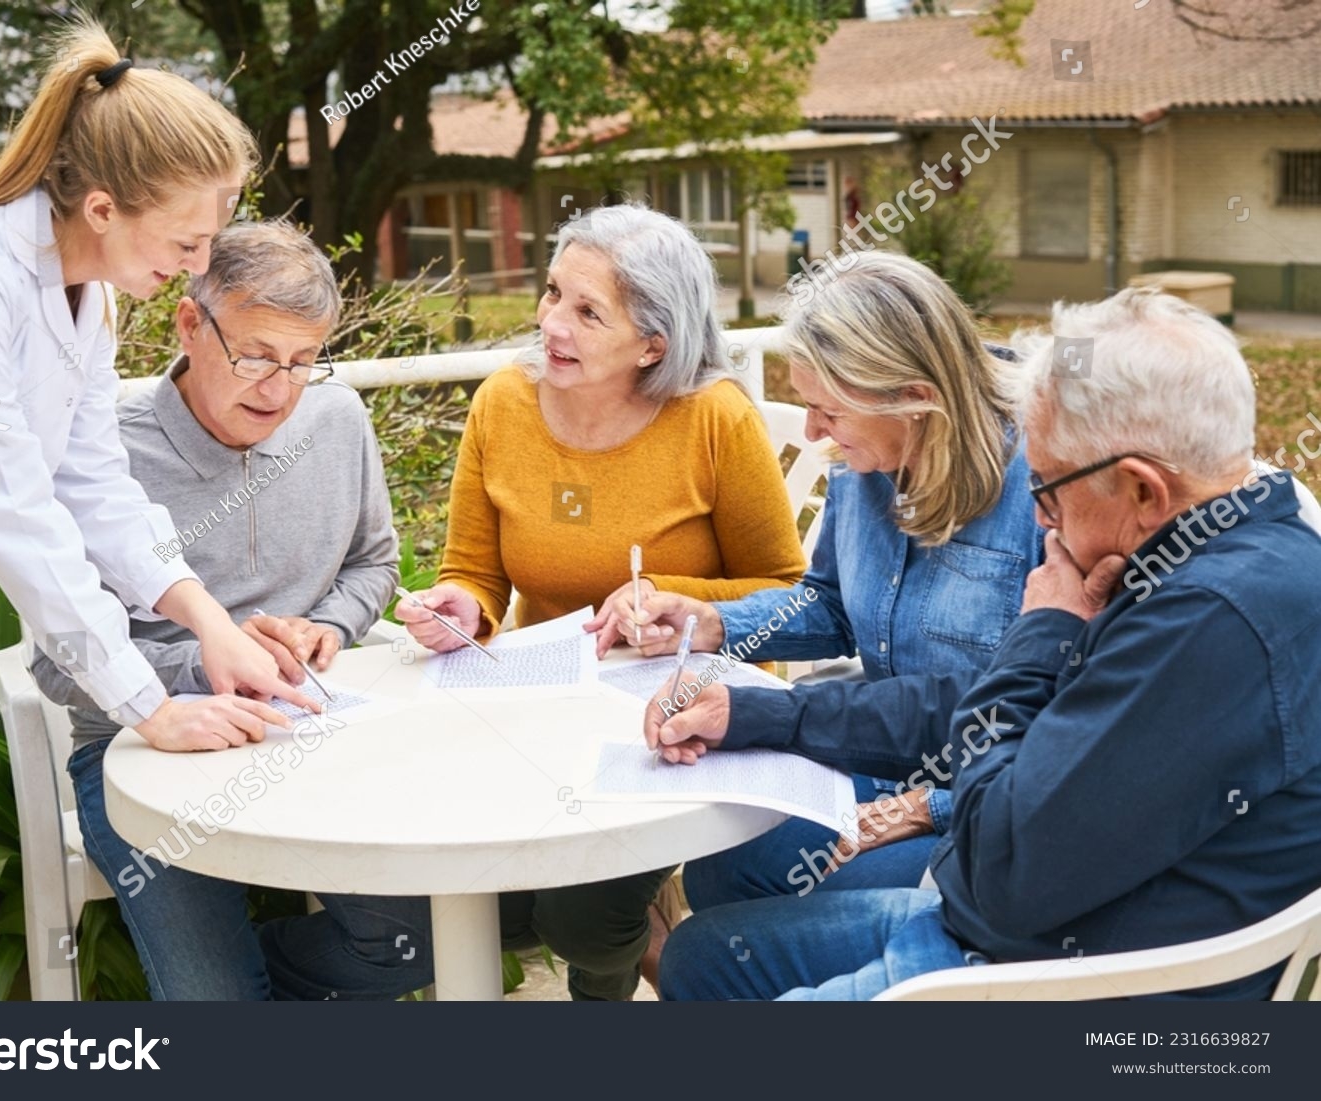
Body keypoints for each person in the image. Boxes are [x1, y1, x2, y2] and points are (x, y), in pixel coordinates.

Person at [0, 16, 314, 1001]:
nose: (199, 259)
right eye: (187, 237)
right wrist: (148, 705)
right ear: (100, 206)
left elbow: (94, 487)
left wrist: (209, 623)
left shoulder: (88, 300)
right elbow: (17, 512)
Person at [653, 287, 1321, 1001]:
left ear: (1142, 489)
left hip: (1060, 984)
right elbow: (1003, 742)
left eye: (1048, 485)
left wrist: (1042, 631)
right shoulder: (1188, 548)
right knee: (703, 957)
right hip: (1003, 928)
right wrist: (756, 708)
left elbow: (996, 873)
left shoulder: (1203, 625)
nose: (1039, 513)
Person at [267, 202, 807, 1001]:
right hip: (540, 711)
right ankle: (634, 928)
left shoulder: (714, 417)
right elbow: (476, 576)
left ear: (652, 342)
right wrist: (462, 608)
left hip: (688, 708)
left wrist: (671, 595)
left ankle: (610, 966)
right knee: (481, 896)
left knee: (582, 918)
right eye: (554, 292)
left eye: (588, 311)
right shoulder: (502, 405)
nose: (552, 322)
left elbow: (790, 593)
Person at [30, 220, 399, 999]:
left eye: (304, 362)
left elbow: (374, 564)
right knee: (215, 999)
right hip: (140, 753)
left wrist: (324, 627)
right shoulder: (103, 454)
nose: (279, 388)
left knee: (415, 940)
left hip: (317, 727)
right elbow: (55, 664)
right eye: (257, 355)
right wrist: (206, 659)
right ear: (190, 325)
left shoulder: (337, 422)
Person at [620, 250, 1041, 915]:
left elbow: (1070, 711)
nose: (813, 433)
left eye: (830, 412)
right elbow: (832, 604)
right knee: (718, 869)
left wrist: (929, 806)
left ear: (916, 400)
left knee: (763, 905)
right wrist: (715, 621)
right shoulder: (868, 455)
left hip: (997, 796)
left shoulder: (1046, 484)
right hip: (886, 743)